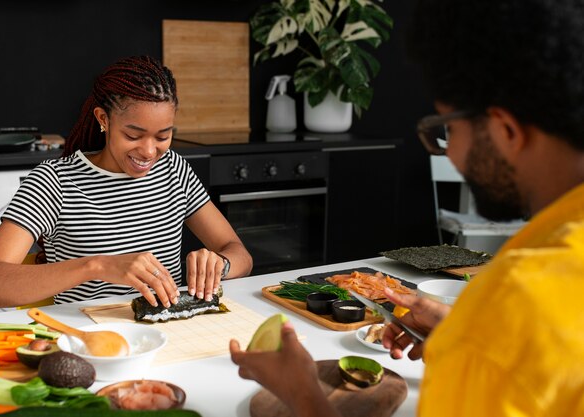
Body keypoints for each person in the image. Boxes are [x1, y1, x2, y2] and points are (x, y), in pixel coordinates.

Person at [230, 0, 584, 415]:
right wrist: (462, 333)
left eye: (447, 128)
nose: (449, 154)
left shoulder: (511, 304)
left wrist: (303, 393)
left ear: (505, 130)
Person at [0, 55, 252, 309]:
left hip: (171, 334)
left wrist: (220, 265)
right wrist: (96, 265)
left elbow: (240, 253)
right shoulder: (54, 181)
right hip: (90, 342)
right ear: (104, 119)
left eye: (163, 136)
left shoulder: (174, 170)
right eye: (133, 135)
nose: (149, 151)